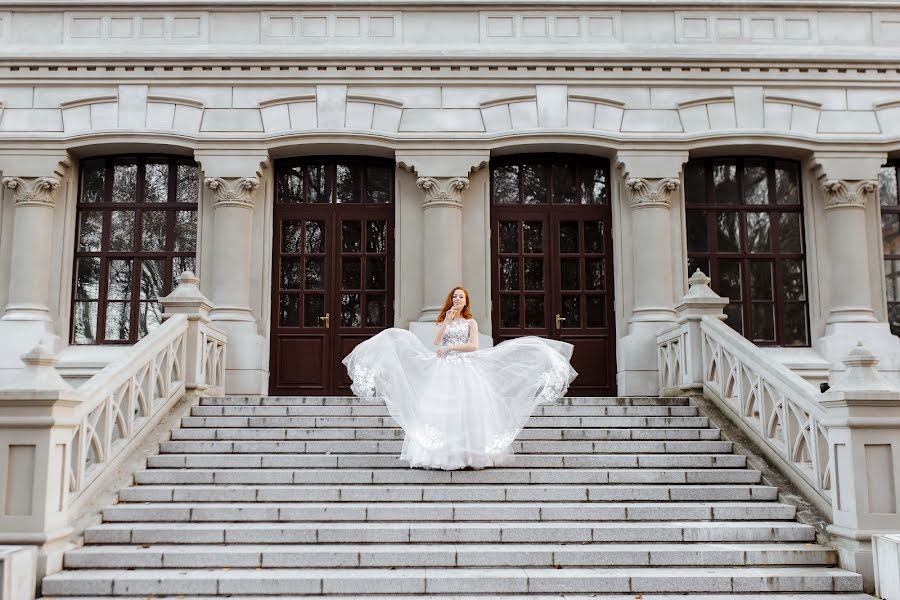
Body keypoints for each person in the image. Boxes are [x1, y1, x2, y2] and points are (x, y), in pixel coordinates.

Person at [342, 286, 577, 470]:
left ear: (466, 301)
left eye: (461, 298)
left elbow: (474, 346)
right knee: (442, 410)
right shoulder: (447, 318)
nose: (457, 300)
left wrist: (451, 349)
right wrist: (446, 321)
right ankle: (443, 455)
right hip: (444, 369)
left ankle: (469, 454)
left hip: (464, 367)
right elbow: (436, 342)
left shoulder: (470, 322)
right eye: (454, 297)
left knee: (468, 410)